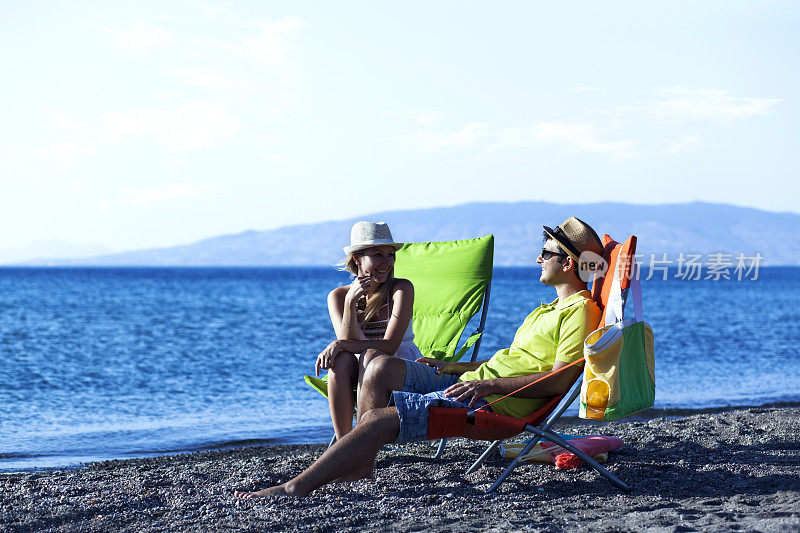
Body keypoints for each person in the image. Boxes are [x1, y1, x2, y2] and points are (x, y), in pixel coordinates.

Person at [235, 217, 604, 498]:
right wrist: (452, 367)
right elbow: (508, 362)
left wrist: (488, 384)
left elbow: (558, 379)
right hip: (471, 383)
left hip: (492, 402)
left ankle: (295, 487)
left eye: (547, 253)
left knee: (379, 418)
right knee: (378, 368)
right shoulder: (544, 311)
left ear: (569, 264)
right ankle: (359, 461)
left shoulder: (578, 312)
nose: (539, 258)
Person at [316, 221, 423, 440]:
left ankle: (359, 443)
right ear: (357, 259)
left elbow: (391, 346)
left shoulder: (401, 289)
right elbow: (346, 341)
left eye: (390, 255)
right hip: (360, 366)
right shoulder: (338, 296)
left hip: (396, 365)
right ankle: (344, 444)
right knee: (341, 360)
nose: (387, 262)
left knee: (369, 353)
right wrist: (349, 304)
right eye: (378, 255)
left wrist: (340, 344)